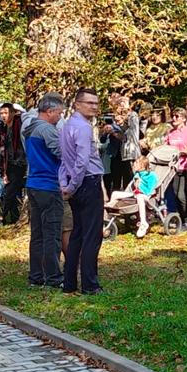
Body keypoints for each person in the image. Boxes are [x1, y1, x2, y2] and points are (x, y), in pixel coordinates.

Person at [59, 88, 106, 295]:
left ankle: (69, 282)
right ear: (77, 104)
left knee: (77, 233)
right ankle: (90, 284)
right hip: (87, 182)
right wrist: (71, 186)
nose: (94, 107)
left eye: (96, 103)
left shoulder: (67, 126)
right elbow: (81, 161)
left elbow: (63, 162)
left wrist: (65, 185)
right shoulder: (83, 128)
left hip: (75, 183)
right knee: (91, 235)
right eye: (89, 103)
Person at [23, 95, 68, 288]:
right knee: (52, 234)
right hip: (49, 185)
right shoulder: (47, 130)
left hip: (33, 183)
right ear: (49, 111)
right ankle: (53, 277)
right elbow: (61, 152)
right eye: (59, 113)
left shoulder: (29, 129)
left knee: (37, 234)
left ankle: (36, 276)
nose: (60, 117)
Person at [0, 104, 26, 226]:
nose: (4, 116)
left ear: (12, 113)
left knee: (10, 190)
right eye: (1, 113)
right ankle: (14, 217)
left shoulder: (19, 124)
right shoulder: (3, 127)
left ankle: (2, 216)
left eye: (6, 113)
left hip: (20, 161)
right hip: (8, 162)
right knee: (11, 191)